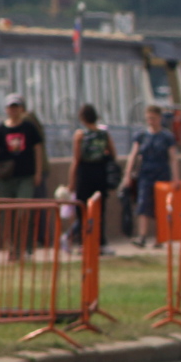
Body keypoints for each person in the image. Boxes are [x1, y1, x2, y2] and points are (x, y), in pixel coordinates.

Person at [122, 105, 179, 248]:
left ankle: (160, 238)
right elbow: (133, 155)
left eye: (153, 118)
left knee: (160, 207)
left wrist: (175, 177)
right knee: (143, 204)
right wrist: (127, 174)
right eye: (148, 118)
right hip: (145, 174)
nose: (151, 121)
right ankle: (142, 236)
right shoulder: (141, 136)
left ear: (159, 118)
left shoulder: (167, 137)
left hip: (162, 174)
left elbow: (173, 158)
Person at [67, 103, 116, 253]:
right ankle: (100, 242)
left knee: (82, 209)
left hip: (85, 173)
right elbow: (113, 153)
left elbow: (76, 159)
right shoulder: (103, 133)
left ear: (82, 117)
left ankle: (84, 242)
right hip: (100, 172)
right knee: (99, 209)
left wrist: (71, 182)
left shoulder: (80, 134)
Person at [0, 93, 44, 199]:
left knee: (23, 203)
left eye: (16, 107)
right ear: (6, 109)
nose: (13, 110)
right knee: (6, 205)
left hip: (26, 173)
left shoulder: (29, 127)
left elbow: (38, 150)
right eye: (11, 108)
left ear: (21, 109)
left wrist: (38, 172)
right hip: (6, 174)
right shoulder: (0, 128)